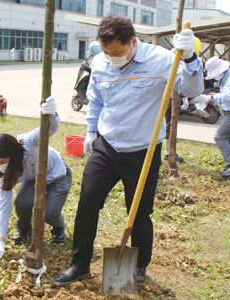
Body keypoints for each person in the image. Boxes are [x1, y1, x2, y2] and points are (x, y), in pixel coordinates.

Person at [55, 16, 203, 287]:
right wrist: (90, 131)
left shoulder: (160, 59)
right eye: (106, 51)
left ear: (133, 42)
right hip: (107, 146)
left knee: (139, 213)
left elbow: (193, 89)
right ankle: (80, 264)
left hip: (143, 151)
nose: (111, 57)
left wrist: (190, 58)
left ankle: (139, 266)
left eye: (117, 52)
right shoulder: (101, 62)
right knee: (87, 204)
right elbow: (96, 99)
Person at [0, 97, 73, 262]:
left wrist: (51, 113)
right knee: (22, 203)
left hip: (57, 175)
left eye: (3, 162)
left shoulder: (27, 142)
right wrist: (0, 241)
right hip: (34, 179)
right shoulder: (4, 173)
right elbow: (3, 206)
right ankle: (24, 229)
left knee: (49, 214)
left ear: (13, 154)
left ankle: (59, 228)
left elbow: (49, 128)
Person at [191, 57, 230, 178]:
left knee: (219, 136)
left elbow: (226, 97)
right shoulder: (227, 76)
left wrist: (209, 98)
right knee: (229, 140)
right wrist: (212, 95)